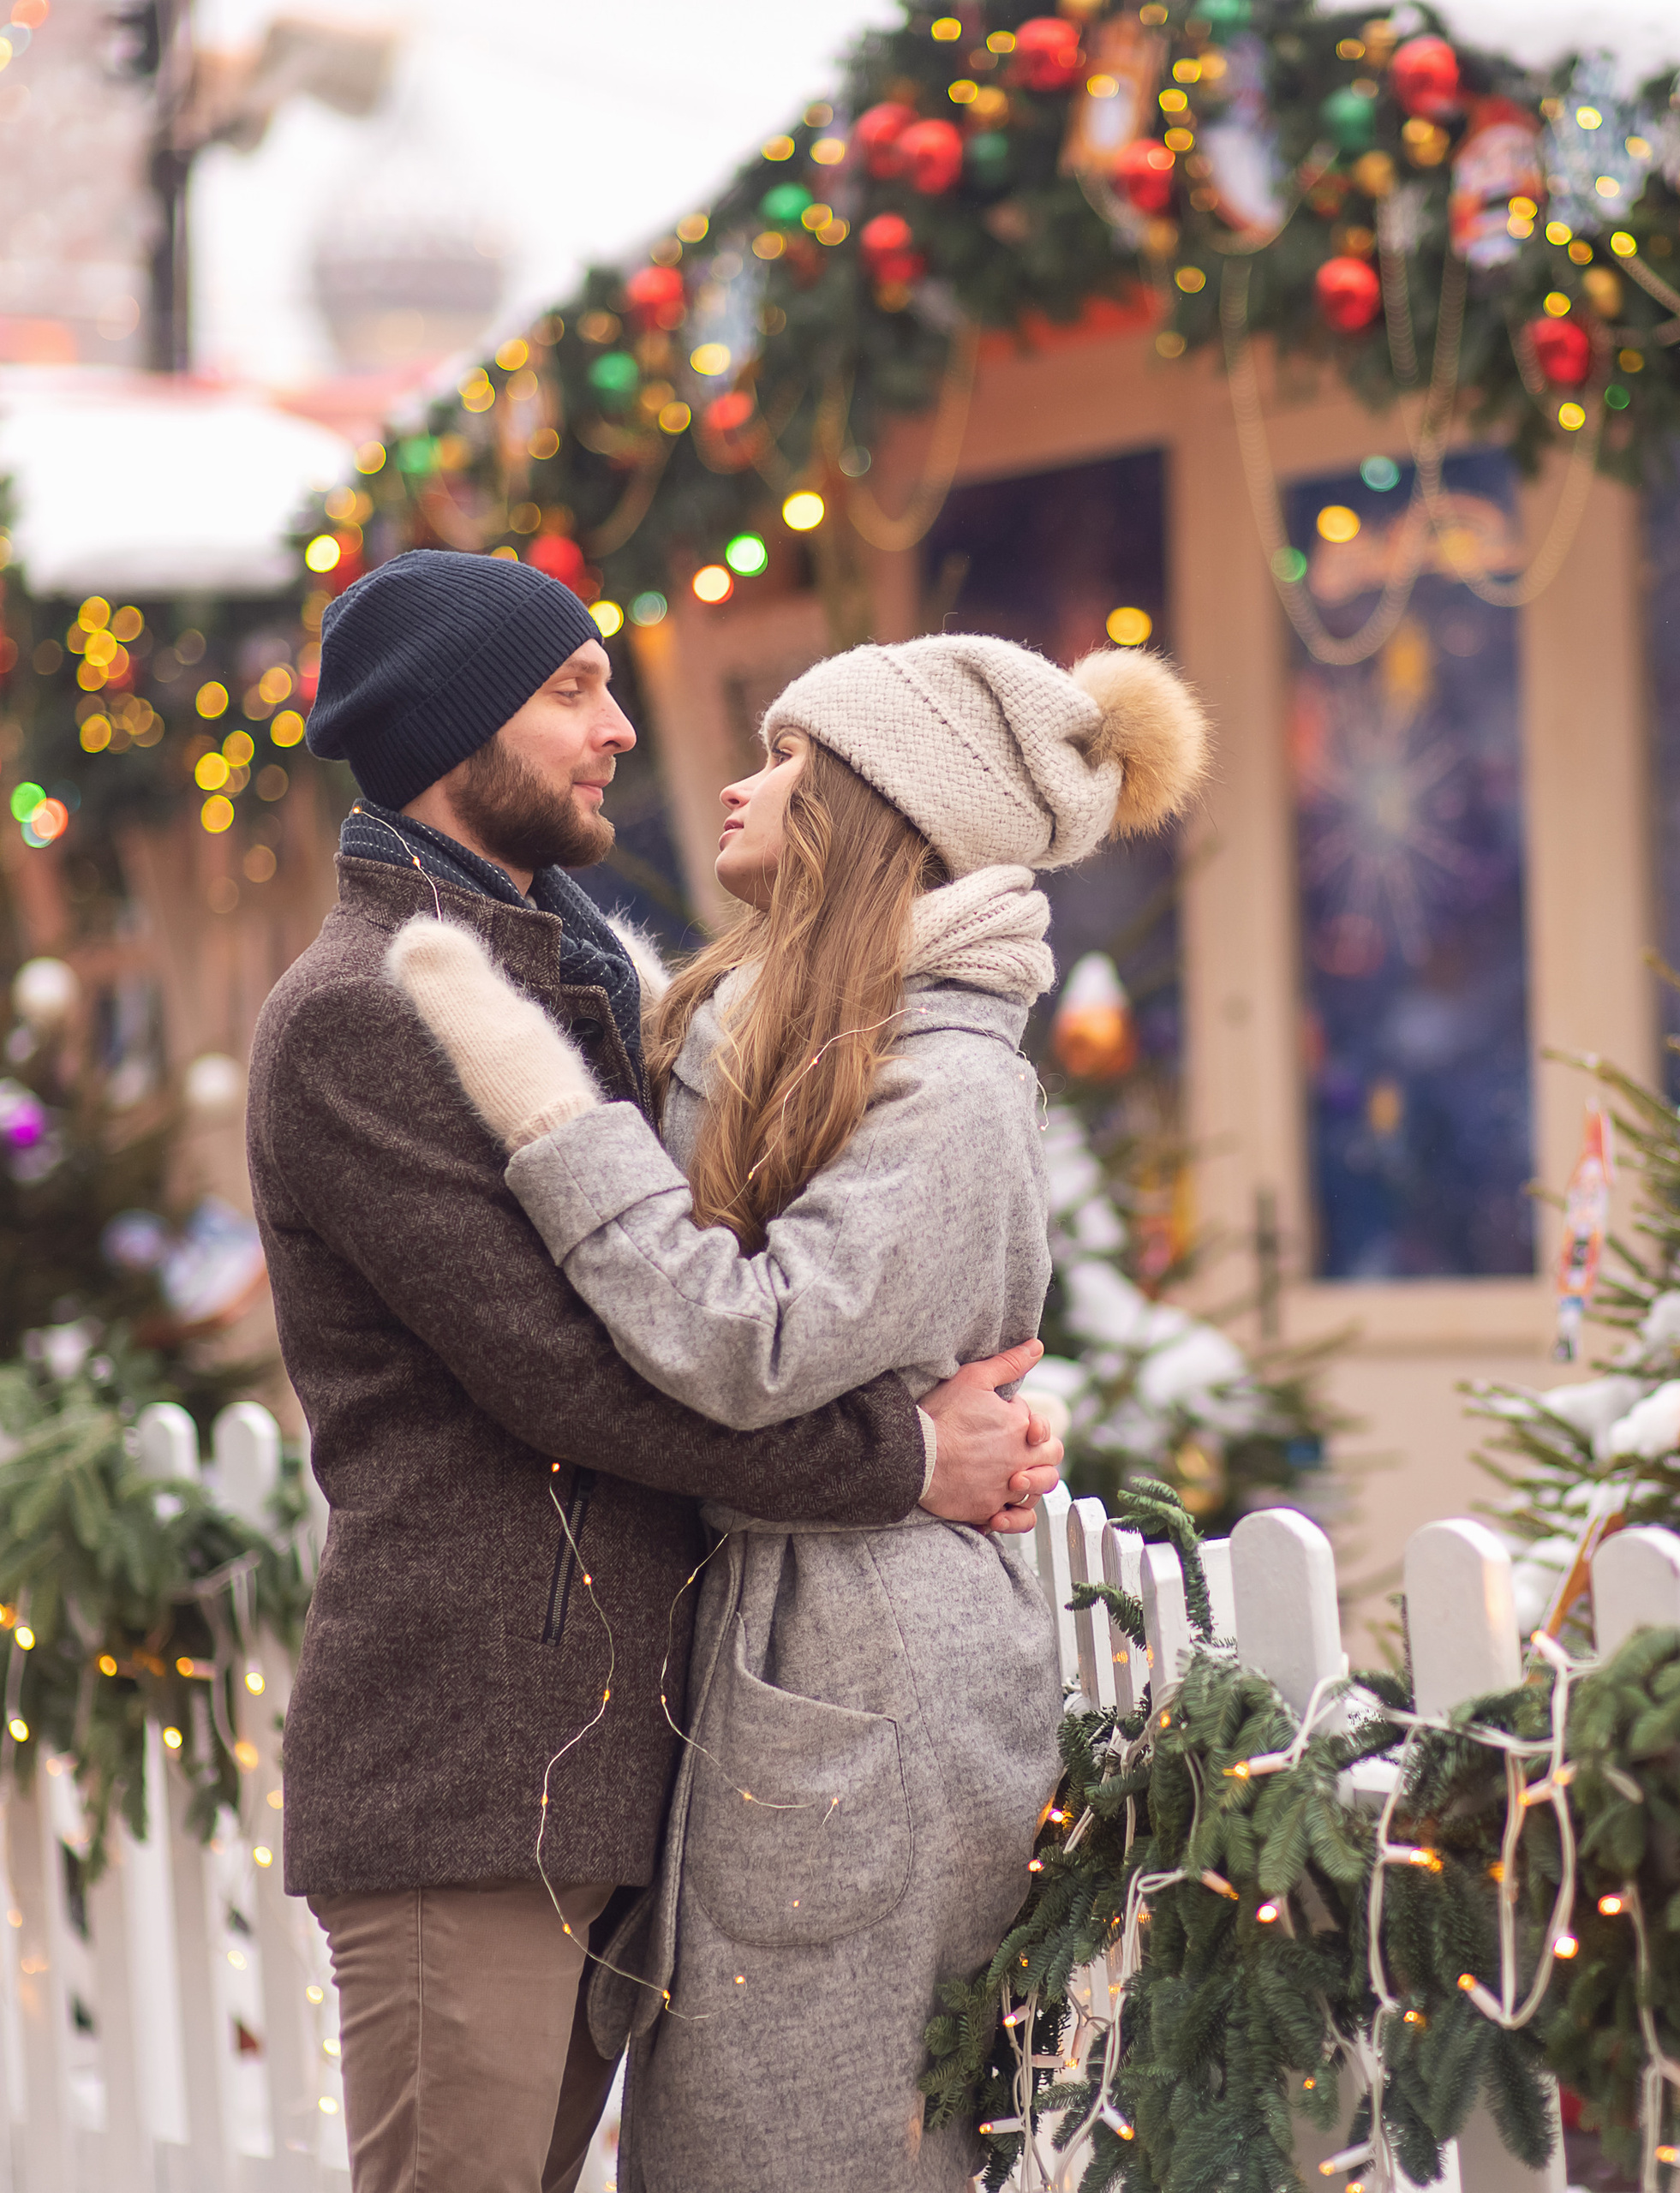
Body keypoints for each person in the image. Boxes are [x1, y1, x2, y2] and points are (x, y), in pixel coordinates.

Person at [247, 551, 1061, 2193]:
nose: (620, 730)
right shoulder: (374, 1010)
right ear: (451, 730)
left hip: (629, 1766)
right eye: (571, 692)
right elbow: (578, 1384)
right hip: (476, 1776)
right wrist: (906, 1466)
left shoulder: (577, 980)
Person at [386, 631, 1211, 2190]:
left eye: (788, 760)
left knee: (794, 2146)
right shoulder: (810, 1030)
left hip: (871, 1667)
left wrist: (555, 1120)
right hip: (806, 1632)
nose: (741, 784)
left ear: (873, 806)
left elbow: (746, 1343)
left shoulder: (950, 1084)